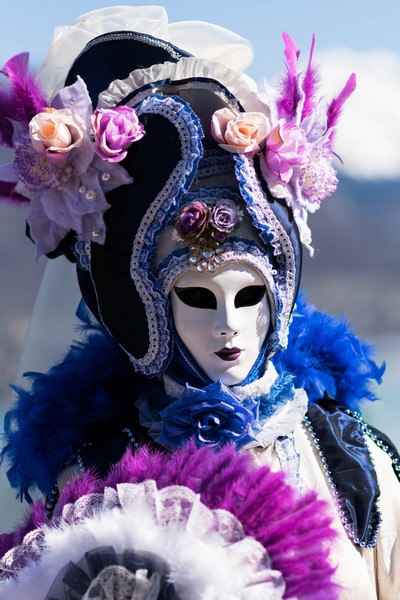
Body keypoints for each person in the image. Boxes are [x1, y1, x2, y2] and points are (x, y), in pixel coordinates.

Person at [0, 6, 399, 599]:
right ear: (149, 308)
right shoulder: (99, 473)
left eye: (250, 295)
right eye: (196, 295)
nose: (229, 325)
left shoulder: (352, 463)